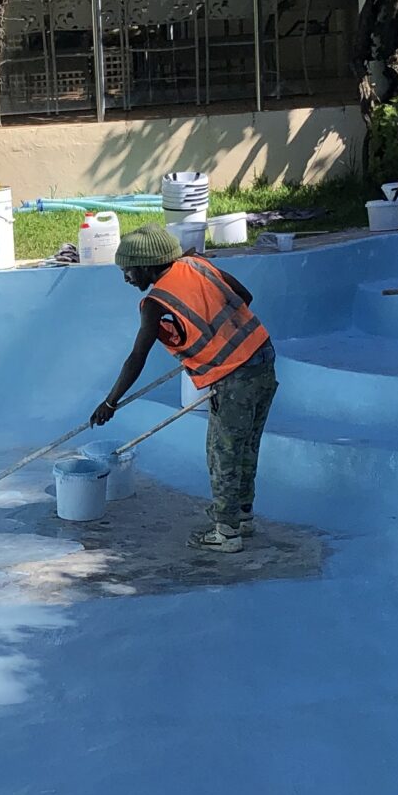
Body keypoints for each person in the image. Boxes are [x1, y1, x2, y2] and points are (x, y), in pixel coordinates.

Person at [91, 225, 278, 553]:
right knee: (246, 446)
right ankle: (242, 516)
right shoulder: (197, 264)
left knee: (222, 454)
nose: (126, 279)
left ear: (147, 266)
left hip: (234, 377)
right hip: (263, 358)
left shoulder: (156, 303)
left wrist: (110, 402)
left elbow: (137, 358)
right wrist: (208, 337)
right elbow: (243, 297)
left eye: (128, 271)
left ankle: (226, 533)